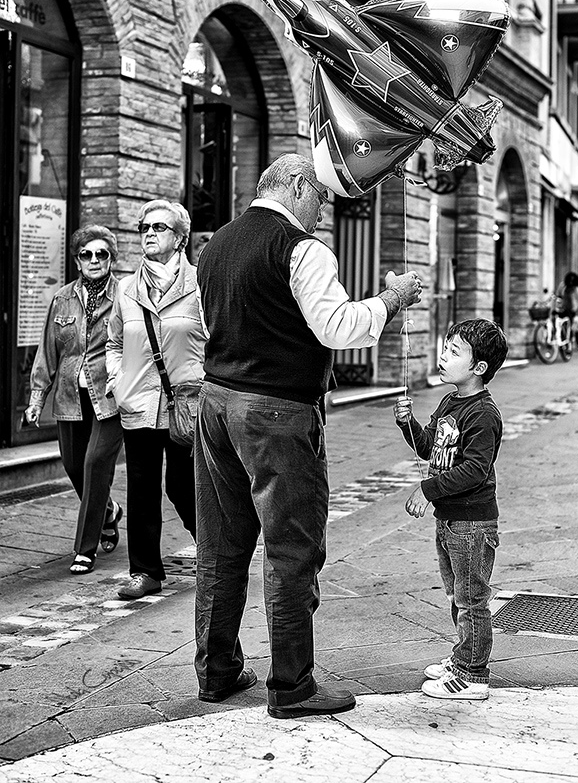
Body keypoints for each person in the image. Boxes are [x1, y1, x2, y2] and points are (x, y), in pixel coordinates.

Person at [194, 153, 422, 719]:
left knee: (221, 547)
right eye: (319, 195)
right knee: (292, 548)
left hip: (217, 405)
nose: (323, 209)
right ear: (296, 185)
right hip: (276, 413)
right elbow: (338, 328)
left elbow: (209, 325)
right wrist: (392, 301)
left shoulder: (216, 244)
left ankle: (217, 670)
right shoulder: (302, 248)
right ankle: (292, 684)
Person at [394, 318, 508, 701]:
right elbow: (431, 447)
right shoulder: (451, 401)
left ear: (478, 368)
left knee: (472, 597)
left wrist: (427, 489)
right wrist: (407, 424)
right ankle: (463, 658)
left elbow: (475, 470)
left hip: (472, 522)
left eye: (453, 352)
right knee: (458, 594)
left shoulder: (483, 414)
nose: (442, 357)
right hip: (450, 520)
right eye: (445, 348)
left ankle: (474, 675)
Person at [106, 200, 205, 600]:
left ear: (180, 238)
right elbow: (114, 342)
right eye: (144, 227)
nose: (149, 233)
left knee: (185, 487)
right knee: (141, 488)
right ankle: (145, 571)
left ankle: (217, 552)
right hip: (139, 403)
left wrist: (206, 384)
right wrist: (118, 380)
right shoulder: (127, 290)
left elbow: (216, 340)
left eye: (159, 227)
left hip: (185, 404)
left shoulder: (200, 284)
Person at [25, 225, 124, 575]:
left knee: (95, 464)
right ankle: (109, 511)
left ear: (111, 258)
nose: (94, 260)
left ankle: (85, 548)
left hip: (109, 396)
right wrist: (37, 397)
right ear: (77, 259)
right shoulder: (62, 299)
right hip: (70, 395)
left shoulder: (124, 295)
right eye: (87, 254)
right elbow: (48, 351)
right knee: (73, 466)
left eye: (102, 254)